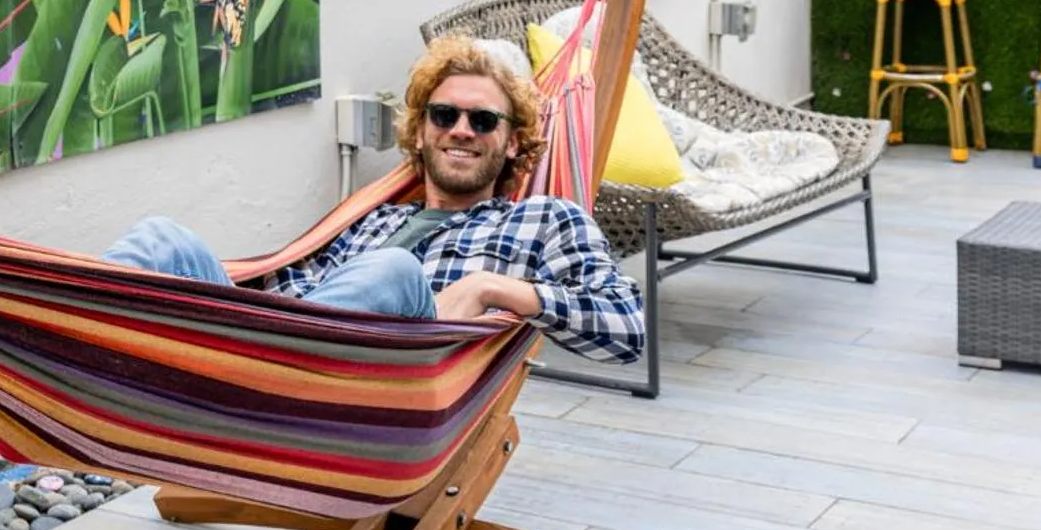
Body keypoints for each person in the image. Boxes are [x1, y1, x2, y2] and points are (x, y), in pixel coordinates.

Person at [103, 35, 645, 364]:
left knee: (393, 271)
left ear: (513, 143)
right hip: (264, 353)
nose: (461, 129)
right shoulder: (371, 216)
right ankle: (57, 352)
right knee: (162, 239)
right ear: (421, 131)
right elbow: (283, 289)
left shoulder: (544, 219)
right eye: (443, 115)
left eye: (483, 120)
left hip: (386, 390)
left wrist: (489, 287)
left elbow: (626, 328)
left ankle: (269, 371)